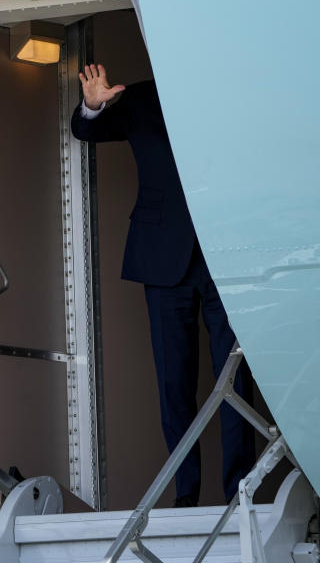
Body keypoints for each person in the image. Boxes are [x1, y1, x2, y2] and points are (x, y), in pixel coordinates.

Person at [71, 64, 255, 507]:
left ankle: (240, 494)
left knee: (236, 381)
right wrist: (93, 105)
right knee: (173, 388)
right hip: (161, 260)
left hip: (226, 256)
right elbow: (84, 130)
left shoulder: (236, 94)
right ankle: (185, 496)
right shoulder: (137, 98)